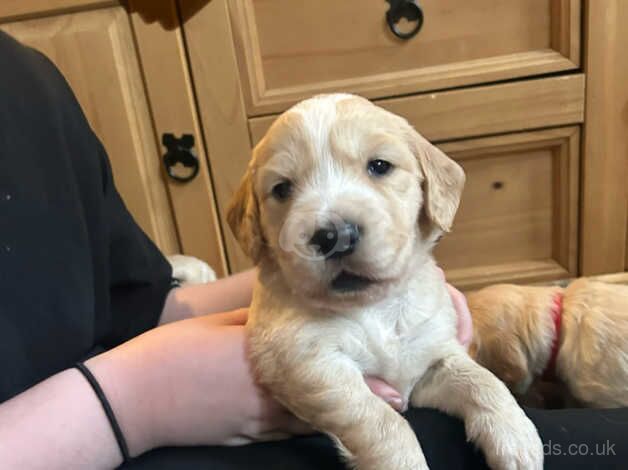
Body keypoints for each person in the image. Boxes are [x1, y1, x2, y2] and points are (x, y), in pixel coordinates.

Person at [0, 31, 625, 470]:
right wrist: (129, 404)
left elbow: (131, 302)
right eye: (284, 188)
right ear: (258, 226)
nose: (333, 227)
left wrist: (471, 382)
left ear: (433, 186)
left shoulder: (31, 80)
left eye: (378, 166)